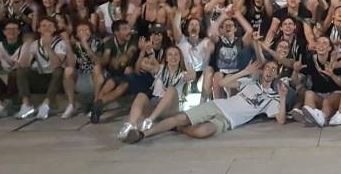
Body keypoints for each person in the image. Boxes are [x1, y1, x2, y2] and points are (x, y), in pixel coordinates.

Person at [120, 60, 287, 143]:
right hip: (218, 105)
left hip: (228, 121)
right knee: (181, 118)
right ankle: (142, 134)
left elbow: (280, 120)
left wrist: (283, 97)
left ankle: (177, 127)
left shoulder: (271, 98)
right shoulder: (249, 83)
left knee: (202, 132)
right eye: (267, 67)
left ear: (276, 75)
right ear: (262, 70)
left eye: (273, 69)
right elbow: (222, 83)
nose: (270, 71)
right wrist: (245, 71)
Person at [15, 16, 67, 120]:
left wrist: (47, 47)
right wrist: (27, 45)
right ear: (38, 29)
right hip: (41, 78)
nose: (46, 28)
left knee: (58, 71)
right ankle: (26, 105)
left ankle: (45, 105)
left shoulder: (60, 43)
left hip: (56, 80)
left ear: (54, 29)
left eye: (50, 26)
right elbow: (25, 64)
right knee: (21, 70)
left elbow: (57, 64)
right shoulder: (35, 44)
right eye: (43, 26)